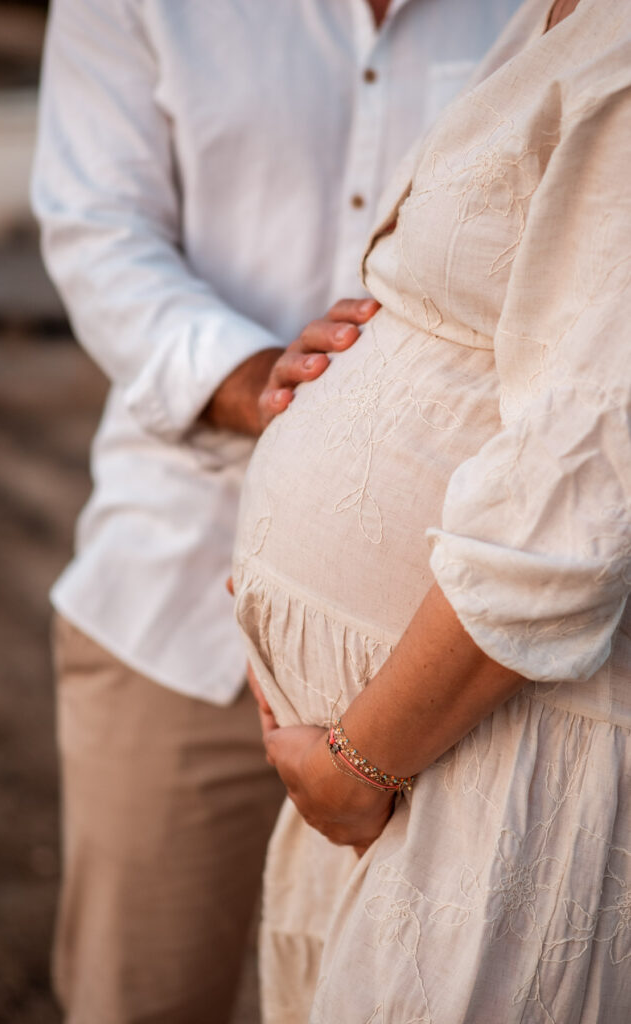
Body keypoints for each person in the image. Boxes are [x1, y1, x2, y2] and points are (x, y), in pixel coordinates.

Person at [31, 1, 524, 1021]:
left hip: (438, 660)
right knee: (146, 993)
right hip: (172, 617)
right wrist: (248, 377)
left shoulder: (549, 11)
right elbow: (98, 231)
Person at [232, 0, 631, 1020]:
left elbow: (580, 493)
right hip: (414, 762)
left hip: (484, 763)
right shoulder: (553, 11)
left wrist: (355, 764)